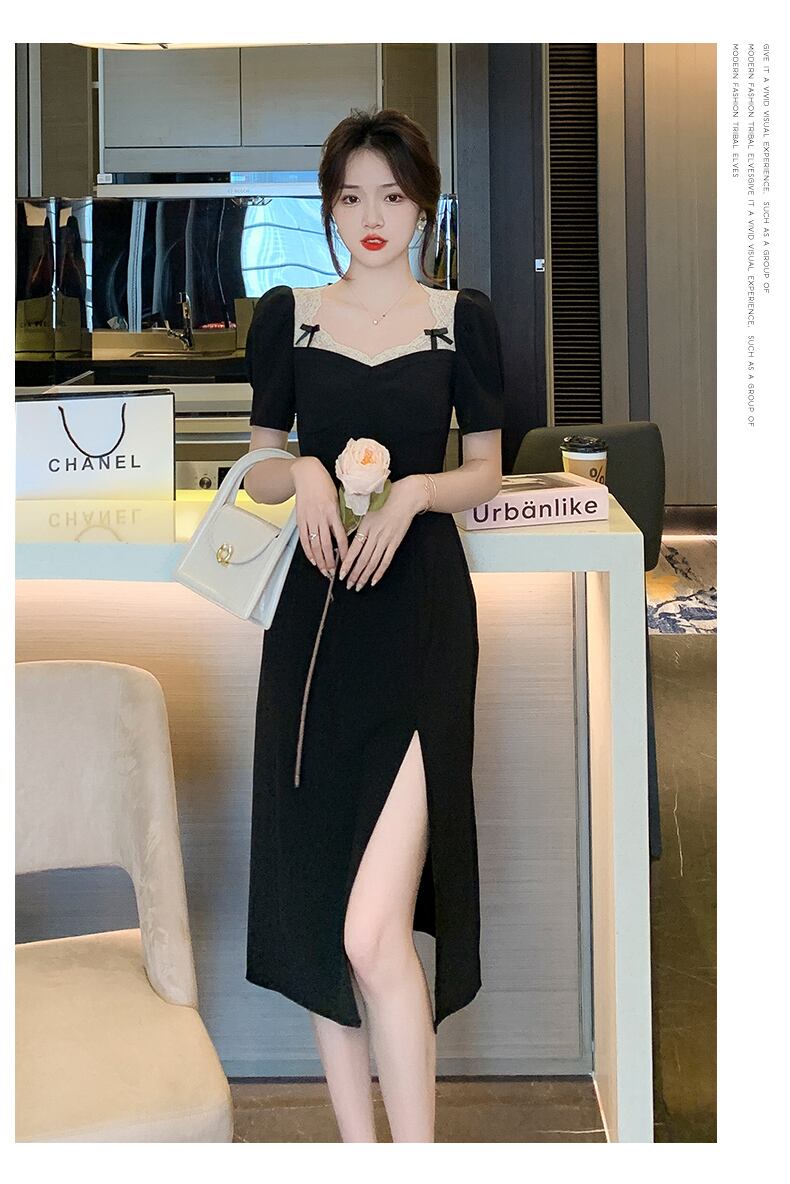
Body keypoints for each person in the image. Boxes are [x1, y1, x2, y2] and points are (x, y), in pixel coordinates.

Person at [243, 107, 505, 1143]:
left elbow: (484, 469)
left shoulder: (459, 319)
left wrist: (416, 495)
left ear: (422, 204)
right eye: (351, 196)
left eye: (391, 195)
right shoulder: (291, 315)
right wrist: (303, 467)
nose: (371, 216)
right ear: (329, 207)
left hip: (422, 621)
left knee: (370, 929)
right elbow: (260, 462)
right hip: (312, 631)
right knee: (323, 914)